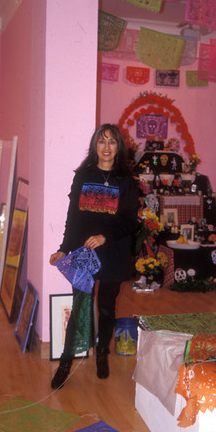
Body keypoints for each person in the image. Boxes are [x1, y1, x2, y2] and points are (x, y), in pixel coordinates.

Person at [49, 124, 140, 388]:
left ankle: (102, 354)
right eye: (102, 142)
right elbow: (73, 217)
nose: (107, 147)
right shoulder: (83, 176)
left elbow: (130, 221)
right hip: (84, 253)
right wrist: (64, 248)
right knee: (79, 308)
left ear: (118, 148)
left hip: (113, 253)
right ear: (94, 146)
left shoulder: (126, 181)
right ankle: (65, 362)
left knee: (106, 307)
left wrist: (105, 237)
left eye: (112, 142)